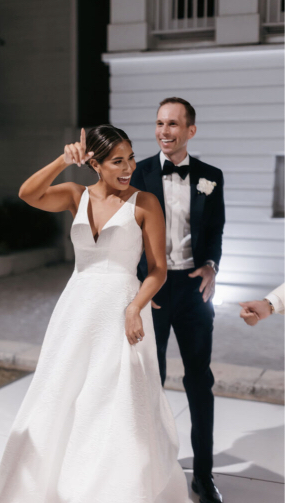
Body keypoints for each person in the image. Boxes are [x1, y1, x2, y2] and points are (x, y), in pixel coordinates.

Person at [0, 125, 191, 503]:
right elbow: (28, 193)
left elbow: (159, 269)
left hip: (123, 307)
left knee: (117, 399)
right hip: (77, 307)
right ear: (94, 163)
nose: (129, 166)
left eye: (130, 157)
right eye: (118, 161)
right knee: (61, 391)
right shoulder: (74, 195)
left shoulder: (145, 202)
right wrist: (62, 161)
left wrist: (135, 307)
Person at [130, 97, 225, 503]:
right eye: (158, 124)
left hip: (192, 290)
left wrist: (211, 265)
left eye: (172, 124)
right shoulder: (136, 173)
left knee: (199, 381)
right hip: (152, 287)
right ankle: (148, 467)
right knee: (148, 379)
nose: (164, 132)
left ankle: (203, 476)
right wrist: (136, 288)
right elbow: (124, 234)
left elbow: (216, 228)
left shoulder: (211, 176)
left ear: (190, 131)